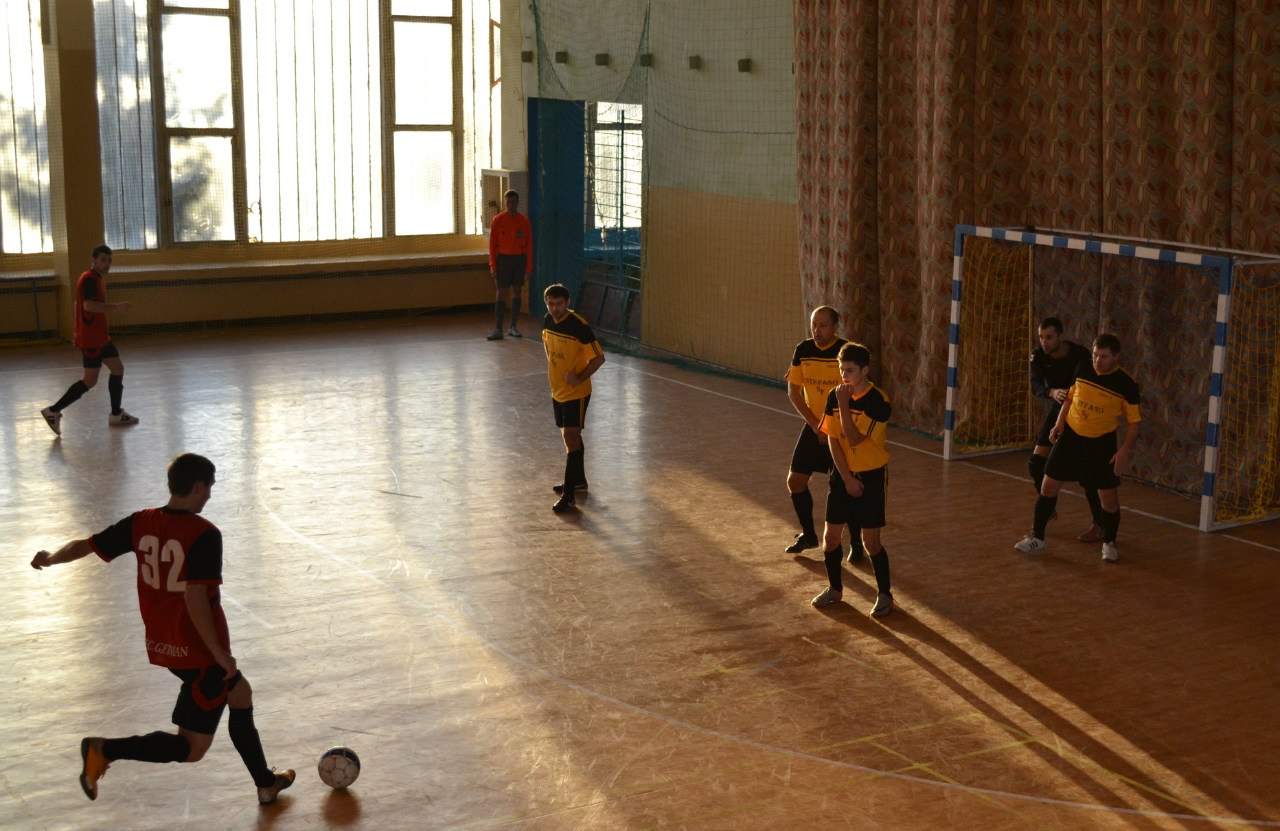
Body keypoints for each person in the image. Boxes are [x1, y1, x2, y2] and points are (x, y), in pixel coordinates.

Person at [29, 453, 295, 805]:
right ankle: (104, 749)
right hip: (200, 652)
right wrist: (219, 654)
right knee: (191, 748)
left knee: (240, 694)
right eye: (209, 488)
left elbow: (88, 545)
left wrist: (50, 558)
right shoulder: (204, 533)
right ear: (198, 486)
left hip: (164, 644)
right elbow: (195, 597)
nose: (209, 495)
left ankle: (265, 783)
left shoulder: (142, 522)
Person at [1014, 333, 1142, 562]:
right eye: (1095, 355)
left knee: (1108, 498)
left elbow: (1134, 422)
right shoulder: (1083, 368)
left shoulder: (1126, 384)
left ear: (1116, 357)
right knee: (1048, 486)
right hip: (1071, 438)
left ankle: (1109, 542)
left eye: (1103, 357)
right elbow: (1070, 398)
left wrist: (1124, 450)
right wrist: (1059, 423)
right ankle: (1037, 538)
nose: (1097, 361)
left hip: (1101, 444)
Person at [810, 342, 895, 617]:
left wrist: (844, 404)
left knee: (871, 542)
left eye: (850, 370)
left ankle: (885, 595)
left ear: (865, 371)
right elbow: (833, 438)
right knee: (831, 538)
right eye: (841, 369)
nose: (844, 376)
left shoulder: (878, 402)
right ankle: (835, 589)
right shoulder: (835, 396)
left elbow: (854, 438)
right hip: (842, 473)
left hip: (871, 475)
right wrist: (846, 478)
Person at [783, 306, 860, 559]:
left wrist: (835, 426)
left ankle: (857, 543)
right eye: (814, 325)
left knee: (846, 487)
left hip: (840, 430)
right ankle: (808, 535)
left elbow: (856, 391)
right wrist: (816, 424)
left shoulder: (846, 351)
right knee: (795, 481)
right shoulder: (803, 350)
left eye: (823, 325)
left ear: (834, 327)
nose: (817, 330)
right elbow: (794, 391)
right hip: (815, 427)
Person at [40, 244, 140, 436]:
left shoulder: (94, 278)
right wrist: (116, 308)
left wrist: (78, 329)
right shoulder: (89, 279)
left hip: (100, 337)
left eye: (109, 260)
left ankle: (116, 414)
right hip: (92, 340)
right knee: (90, 380)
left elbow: (78, 304)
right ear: (93, 260)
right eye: (102, 260)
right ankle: (53, 411)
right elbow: (88, 306)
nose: (107, 264)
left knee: (117, 369)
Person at [1029, 317, 1105, 542]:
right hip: (1058, 410)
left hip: (1080, 413)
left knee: (1089, 475)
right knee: (1035, 463)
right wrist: (1051, 392)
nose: (1044, 342)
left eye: (1049, 337)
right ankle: (1049, 507)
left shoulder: (1080, 355)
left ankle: (1100, 525)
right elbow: (1035, 385)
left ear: (1060, 336)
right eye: (1041, 337)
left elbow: (1086, 386)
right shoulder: (1038, 356)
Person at [541, 283, 605, 513]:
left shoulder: (579, 326)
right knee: (571, 436)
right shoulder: (548, 321)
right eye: (551, 304)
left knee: (570, 437)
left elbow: (598, 359)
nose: (554, 308)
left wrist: (578, 377)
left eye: (559, 304)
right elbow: (548, 347)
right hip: (557, 390)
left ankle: (569, 495)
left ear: (567, 303)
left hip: (576, 393)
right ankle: (579, 481)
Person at [487, 190, 533, 340]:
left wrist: (528, 268)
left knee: (517, 290)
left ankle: (513, 326)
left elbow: (529, 246)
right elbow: (492, 245)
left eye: (513, 202)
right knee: (500, 292)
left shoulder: (524, 222)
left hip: (519, 260)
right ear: (505, 202)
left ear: (518, 203)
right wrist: (493, 265)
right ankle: (498, 329)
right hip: (503, 260)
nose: (511, 205)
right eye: (508, 202)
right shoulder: (497, 220)